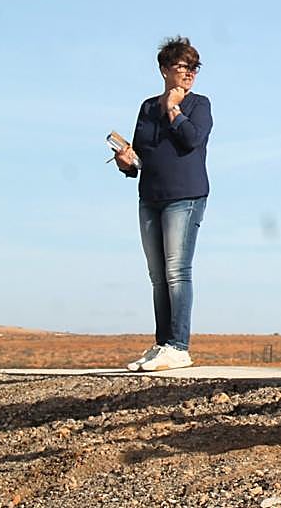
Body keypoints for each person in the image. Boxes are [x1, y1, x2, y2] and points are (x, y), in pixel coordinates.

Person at [115, 37, 212, 372]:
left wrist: (174, 108)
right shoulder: (146, 108)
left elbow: (191, 140)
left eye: (194, 67)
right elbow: (145, 154)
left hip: (185, 197)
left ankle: (179, 346)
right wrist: (128, 162)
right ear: (164, 69)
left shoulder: (199, 105)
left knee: (176, 271)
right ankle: (163, 344)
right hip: (150, 196)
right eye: (182, 66)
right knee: (158, 276)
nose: (189, 73)